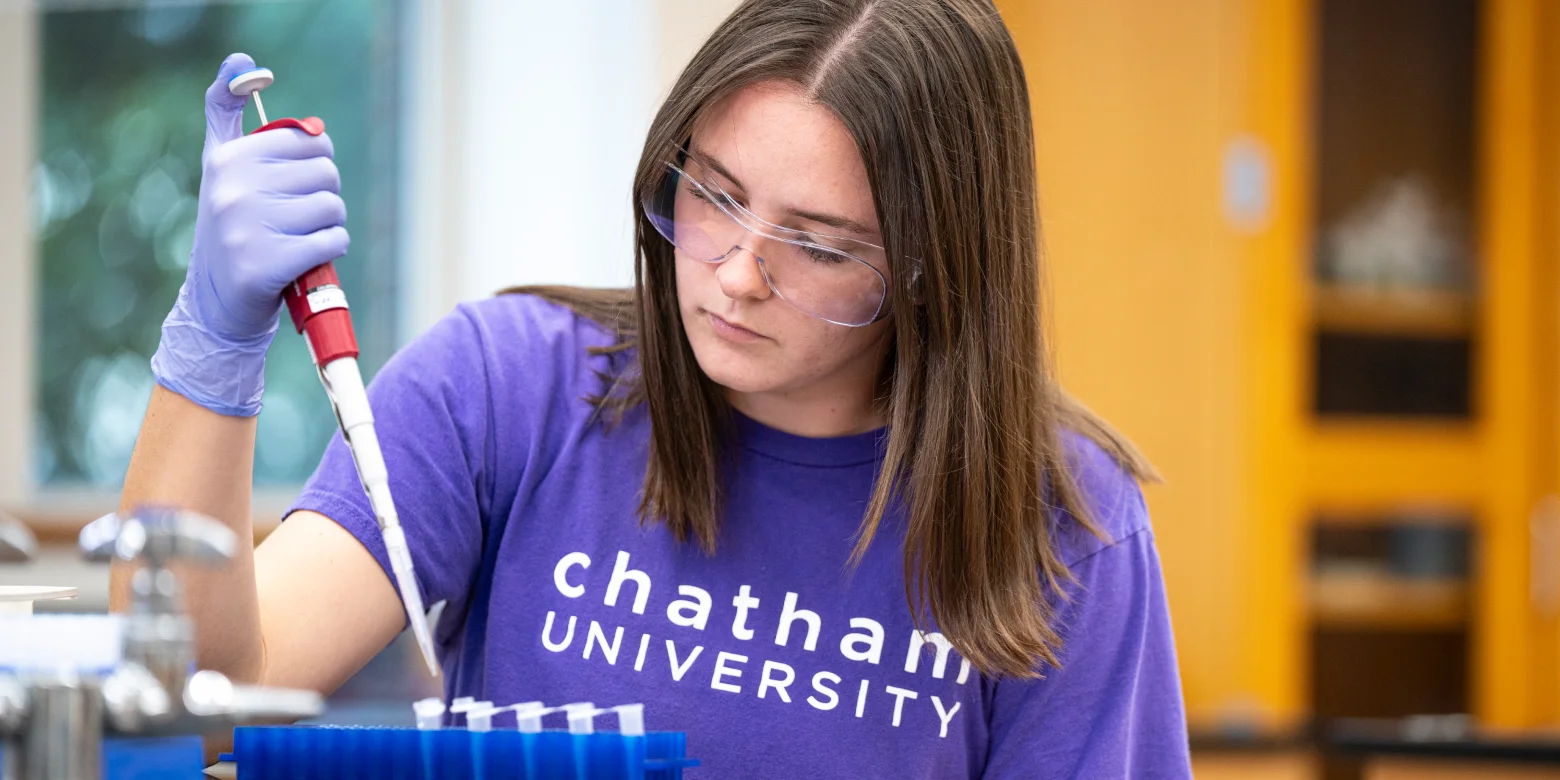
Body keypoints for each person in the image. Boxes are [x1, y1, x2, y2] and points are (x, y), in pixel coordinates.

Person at [117, 0, 1191, 776]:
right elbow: (193, 705)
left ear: (929, 267)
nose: (734, 275)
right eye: (715, 196)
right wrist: (214, 340)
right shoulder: (512, 387)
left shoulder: (1066, 530)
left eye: (817, 246)